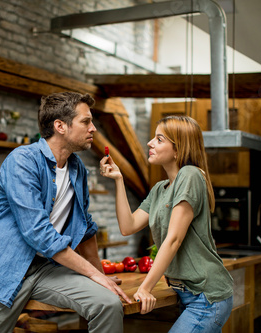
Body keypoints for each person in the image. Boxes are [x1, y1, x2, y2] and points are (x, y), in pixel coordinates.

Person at [0, 91, 132, 333]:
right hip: (0, 268)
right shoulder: (23, 161)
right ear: (60, 126)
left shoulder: (77, 168)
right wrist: (93, 274)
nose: (93, 128)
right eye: (86, 122)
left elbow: (85, 227)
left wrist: (100, 277)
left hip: (45, 269)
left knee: (107, 303)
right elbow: (38, 232)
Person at [100, 115, 233, 332]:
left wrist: (145, 288)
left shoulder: (190, 176)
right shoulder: (160, 188)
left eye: (159, 139)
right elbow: (128, 226)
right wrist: (119, 180)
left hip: (207, 297)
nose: (150, 143)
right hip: (187, 295)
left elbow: (173, 239)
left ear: (178, 150)